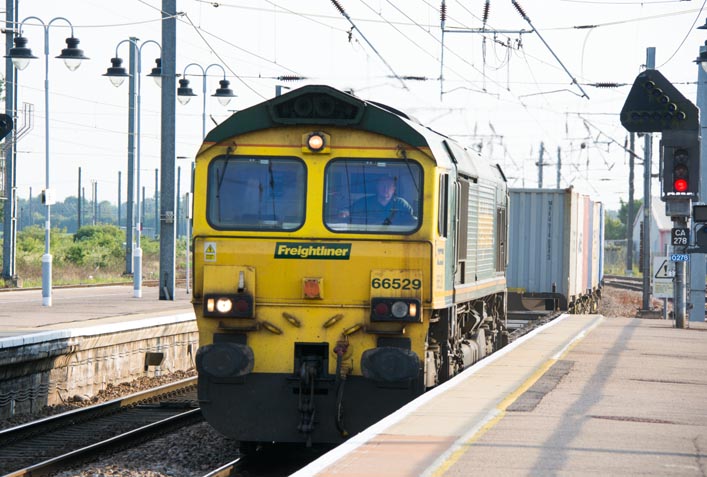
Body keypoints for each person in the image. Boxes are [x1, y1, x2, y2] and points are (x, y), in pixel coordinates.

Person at [348, 175, 416, 225]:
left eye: (389, 186)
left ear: (394, 189)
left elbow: (412, 221)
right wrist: (345, 212)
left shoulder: (402, 203)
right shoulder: (365, 201)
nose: (385, 189)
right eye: (382, 185)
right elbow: (348, 211)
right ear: (377, 186)